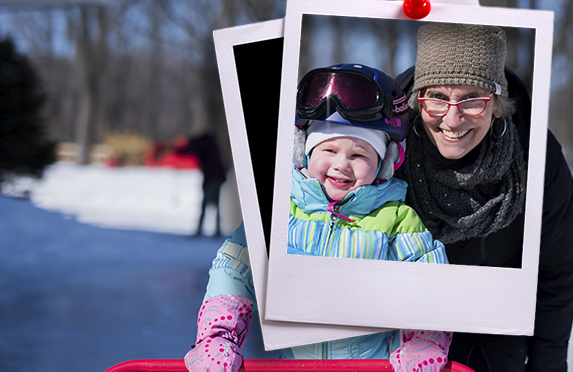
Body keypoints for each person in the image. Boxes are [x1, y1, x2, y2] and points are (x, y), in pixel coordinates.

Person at [185, 64, 452, 372]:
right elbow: (234, 271)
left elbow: (429, 285)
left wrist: (423, 342)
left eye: (358, 155)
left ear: (385, 163)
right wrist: (217, 337)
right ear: (304, 151)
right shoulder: (280, 214)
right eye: (329, 149)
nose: (342, 165)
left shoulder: (397, 221)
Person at [391, 23, 573, 372]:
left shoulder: (535, 153)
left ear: (496, 105)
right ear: (418, 101)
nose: (452, 119)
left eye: (472, 99)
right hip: (398, 340)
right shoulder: (386, 148)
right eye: (437, 97)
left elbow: (557, 273)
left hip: (494, 341)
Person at [176, 133, 227, 237]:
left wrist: (177, 149)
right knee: (214, 204)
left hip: (212, 178)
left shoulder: (202, 145)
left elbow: (188, 150)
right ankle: (215, 230)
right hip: (215, 177)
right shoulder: (209, 144)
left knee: (208, 204)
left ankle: (206, 230)